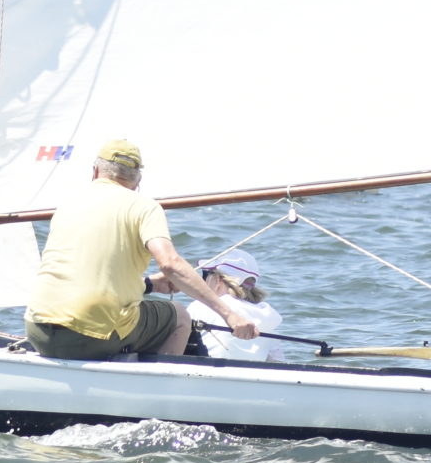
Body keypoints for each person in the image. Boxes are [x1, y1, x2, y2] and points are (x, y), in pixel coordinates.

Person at [23, 139, 259, 359]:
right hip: (88, 336)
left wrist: (150, 285)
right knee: (178, 316)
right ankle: (158, 393)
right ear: (138, 181)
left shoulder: (67, 204)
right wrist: (229, 314)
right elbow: (170, 264)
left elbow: (89, 273)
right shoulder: (145, 207)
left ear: (95, 172)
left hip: (38, 329)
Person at [186, 249, 284, 362]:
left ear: (218, 279)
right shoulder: (268, 317)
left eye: (205, 275)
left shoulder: (200, 307)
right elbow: (277, 361)